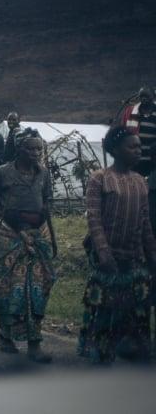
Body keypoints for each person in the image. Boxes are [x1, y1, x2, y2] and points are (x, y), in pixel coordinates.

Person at [78, 126, 156, 364]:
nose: (137, 150)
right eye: (132, 147)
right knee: (104, 304)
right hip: (107, 256)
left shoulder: (140, 182)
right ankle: (98, 349)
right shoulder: (99, 179)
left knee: (138, 304)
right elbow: (94, 218)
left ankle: (134, 346)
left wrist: (152, 254)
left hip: (133, 256)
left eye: (139, 147)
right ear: (115, 150)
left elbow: (144, 223)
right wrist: (103, 253)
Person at [0, 127, 56, 363]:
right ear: (18, 149)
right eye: (30, 148)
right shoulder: (4, 172)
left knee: (39, 286)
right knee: (8, 287)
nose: (36, 152)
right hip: (8, 234)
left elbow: (46, 203)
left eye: (39, 148)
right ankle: (6, 335)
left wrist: (50, 237)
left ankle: (34, 342)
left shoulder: (44, 173)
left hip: (38, 235)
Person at [120, 87, 156, 235]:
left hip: (153, 165)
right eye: (141, 95)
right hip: (134, 164)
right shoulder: (130, 112)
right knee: (133, 197)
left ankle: (150, 231)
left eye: (147, 95)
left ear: (153, 97)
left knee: (151, 198)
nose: (144, 98)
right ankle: (133, 229)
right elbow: (121, 134)